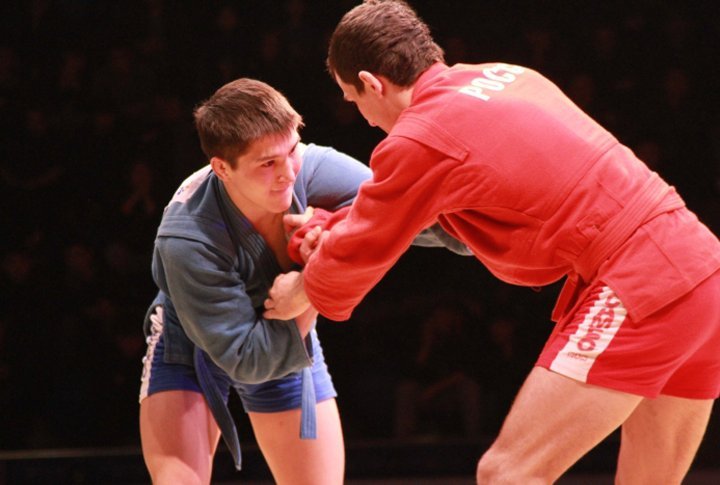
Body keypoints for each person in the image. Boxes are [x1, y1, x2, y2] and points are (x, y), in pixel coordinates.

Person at [263, 1, 720, 483]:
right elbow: (431, 212)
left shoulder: (420, 136)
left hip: (643, 282)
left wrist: (301, 289)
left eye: (353, 99)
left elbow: (364, 250)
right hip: (702, 265)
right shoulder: (508, 75)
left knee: (507, 474)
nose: (365, 117)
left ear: (372, 83)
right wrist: (335, 224)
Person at [138, 78, 368, 485]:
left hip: (280, 327)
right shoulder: (186, 239)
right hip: (189, 338)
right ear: (222, 168)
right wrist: (314, 280)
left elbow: (396, 209)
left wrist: (328, 232)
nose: (287, 173)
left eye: (292, 150)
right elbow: (248, 361)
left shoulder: (308, 168)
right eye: (267, 164)